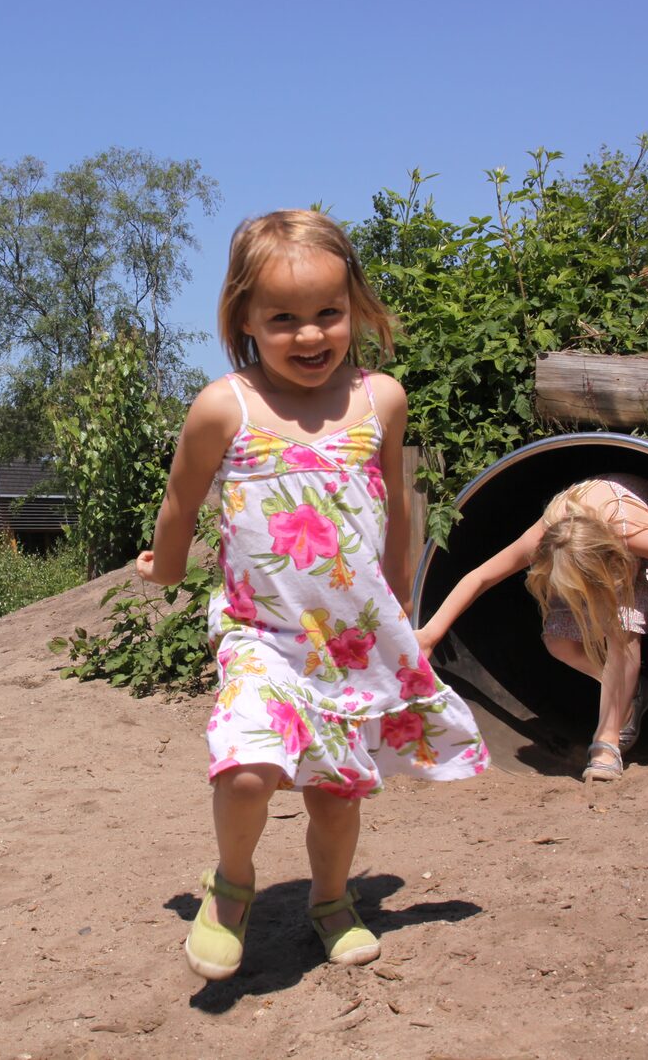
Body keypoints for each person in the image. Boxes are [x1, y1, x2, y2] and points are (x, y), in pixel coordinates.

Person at [136, 209, 487, 982]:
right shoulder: (225, 406)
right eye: (283, 318)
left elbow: (394, 507)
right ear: (244, 320)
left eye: (328, 312)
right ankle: (231, 887)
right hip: (260, 633)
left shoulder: (379, 400)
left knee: (336, 795)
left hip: (349, 642)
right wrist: (163, 567)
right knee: (247, 768)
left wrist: (399, 603)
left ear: (356, 307)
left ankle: (332, 901)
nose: (309, 335)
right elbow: (181, 501)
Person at [415, 474, 648, 783]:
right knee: (558, 642)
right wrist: (430, 634)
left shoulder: (632, 533)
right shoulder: (550, 535)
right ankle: (627, 692)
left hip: (632, 538)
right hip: (585, 551)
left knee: (621, 626)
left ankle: (606, 743)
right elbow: (481, 576)